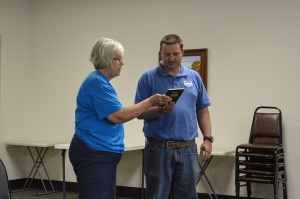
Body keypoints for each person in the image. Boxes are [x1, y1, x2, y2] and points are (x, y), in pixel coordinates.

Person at [68, 37, 171, 199]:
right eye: (118, 58)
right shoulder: (97, 83)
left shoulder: (100, 82)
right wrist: (150, 101)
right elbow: (118, 116)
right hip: (94, 152)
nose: (122, 63)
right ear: (107, 59)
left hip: (100, 152)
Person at [135, 34, 213, 199]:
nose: (170, 58)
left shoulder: (194, 77)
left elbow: (203, 110)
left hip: (188, 149)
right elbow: (139, 113)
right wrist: (159, 110)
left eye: (175, 54)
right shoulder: (148, 77)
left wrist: (207, 138)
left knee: (188, 196)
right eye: (166, 54)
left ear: (182, 52)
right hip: (158, 149)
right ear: (161, 54)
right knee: (157, 195)